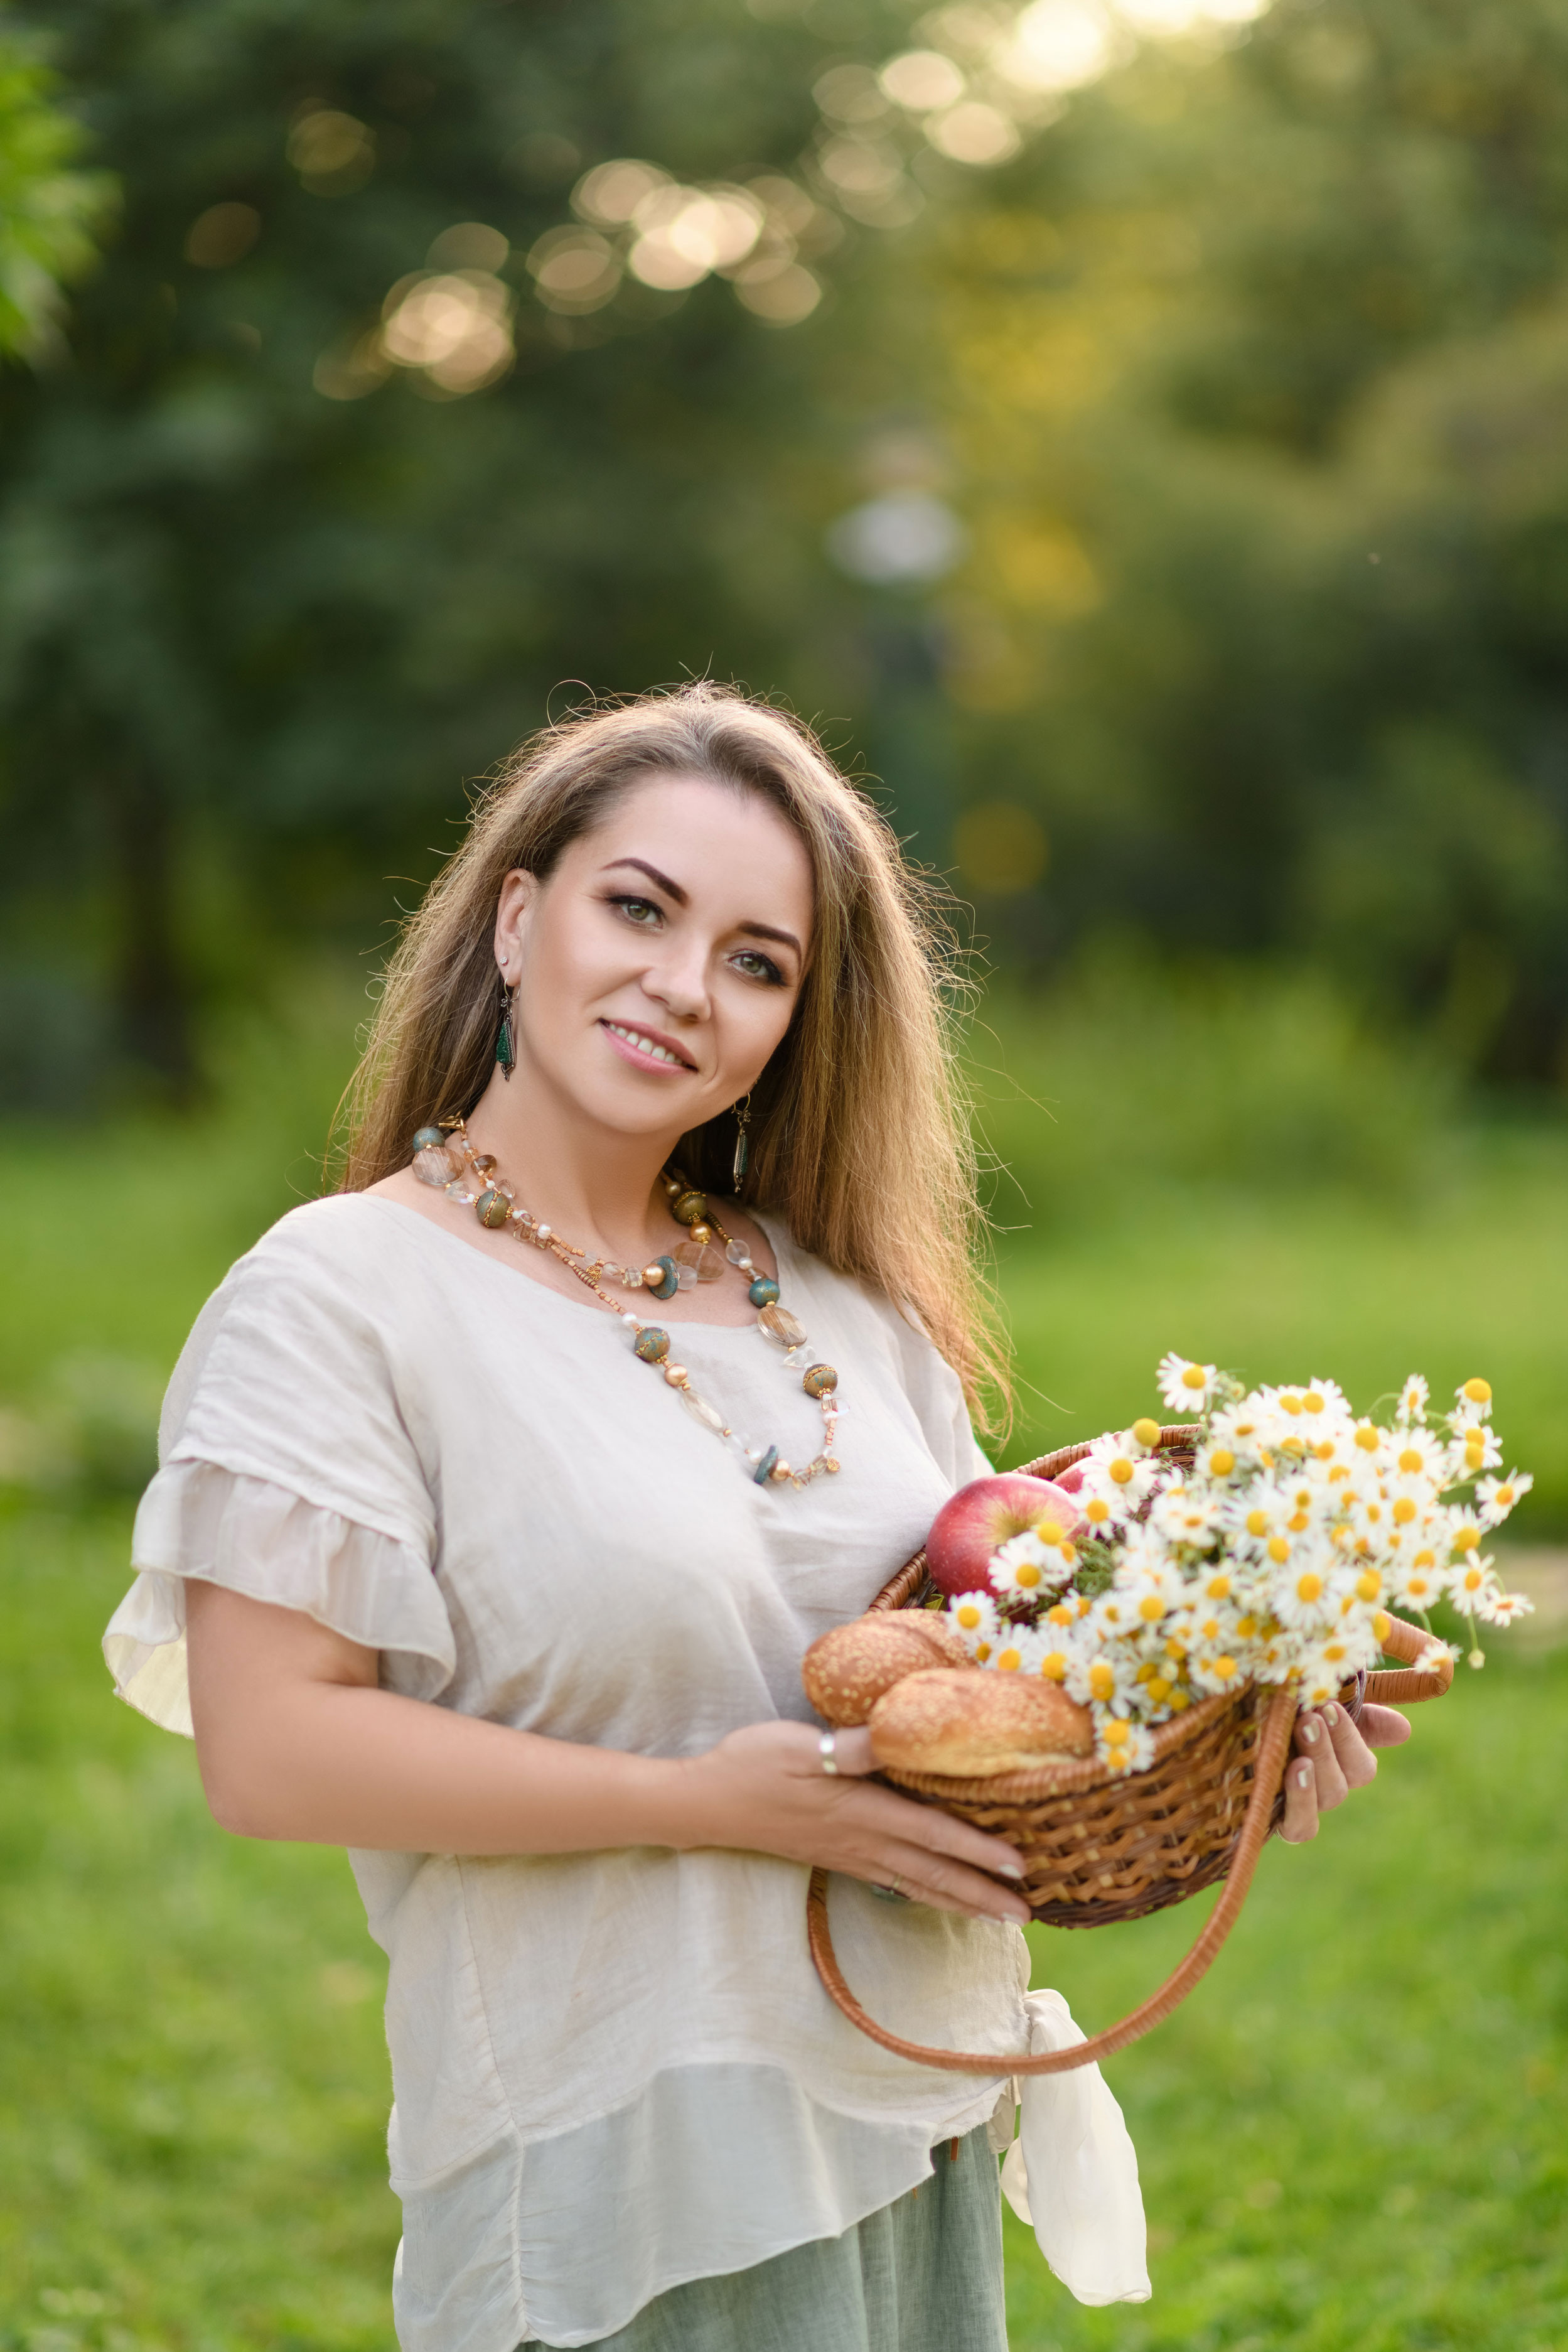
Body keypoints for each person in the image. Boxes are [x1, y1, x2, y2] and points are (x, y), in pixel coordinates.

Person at [104, 685, 1405, 2352]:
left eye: (755, 959)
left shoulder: (841, 1307)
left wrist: (1219, 1733)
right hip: (630, 2157)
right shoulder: (344, 1294)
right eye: (636, 907)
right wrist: (705, 1803)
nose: (680, 985)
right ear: (517, 916)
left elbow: (973, 1694)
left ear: (795, 1015)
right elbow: (270, 1747)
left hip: (903, 2105)